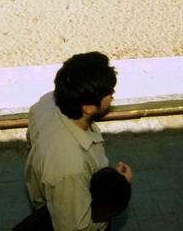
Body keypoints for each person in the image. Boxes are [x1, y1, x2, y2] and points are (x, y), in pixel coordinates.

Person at [23, 52, 133, 230]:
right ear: (87, 108)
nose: (112, 94)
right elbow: (75, 227)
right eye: (107, 93)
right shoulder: (71, 168)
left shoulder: (48, 103)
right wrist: (122, 186)